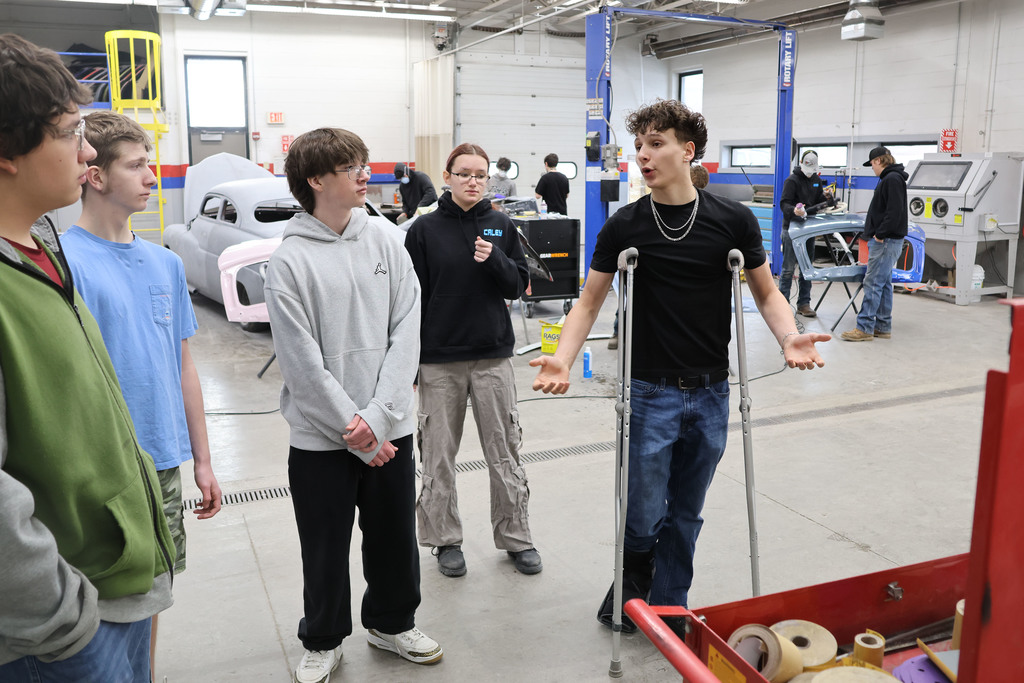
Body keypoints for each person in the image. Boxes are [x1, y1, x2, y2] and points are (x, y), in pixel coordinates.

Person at [530, 99, 829, 631]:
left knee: (687, 512)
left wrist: (790, 336)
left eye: (655, 143)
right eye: (638, 146)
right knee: (644, 516)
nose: (642, 156)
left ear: (687, 151)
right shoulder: (625, 226)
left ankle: (667, 607)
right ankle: (633, 588)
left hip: (712, 391)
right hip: (649, 393)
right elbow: (589, 301)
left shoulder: (732, 222)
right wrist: (562, 357)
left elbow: (766, 292)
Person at [0, 33, 175, 681]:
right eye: (71, 132)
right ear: (7, 148)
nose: (87, 151)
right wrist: (60, 616)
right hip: (61, 624)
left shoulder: (43, 254)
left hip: (116, 586)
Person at [265, 128, 441, 683]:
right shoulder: (289, 262)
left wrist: (380, 416)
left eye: (364, 164)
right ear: (316, 180)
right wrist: (353, 426)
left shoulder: (387, 239)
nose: (366, 174)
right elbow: (301, 363)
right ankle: (322, 638)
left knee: (393, 535)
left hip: (390, 425)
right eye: (351, 167)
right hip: (321, 437)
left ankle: (392, 623)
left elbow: (407, 326)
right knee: (323, 543)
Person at [61, 110, 223, 677]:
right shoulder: (63, 263)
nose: (152, 177)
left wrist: (201, 460)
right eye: (137, 166)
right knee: (98, 605)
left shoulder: (165, 263)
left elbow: (182, 367)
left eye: (150, 164)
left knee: (153, 596)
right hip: (98, 468)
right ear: (95, 176)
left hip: (159, 464)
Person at [404, 143, 541, 579]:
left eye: (480, 175)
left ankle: (516, 537)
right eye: (464, 173)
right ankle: (445, 540)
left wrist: (495, 259)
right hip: (439, 359)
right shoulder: (423, 231)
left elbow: (518, 286)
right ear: (447, 176)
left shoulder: (501, 224)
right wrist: (409, 365)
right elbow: (409, 301)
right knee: (439, 454)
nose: (472, 181)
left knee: (504, 452)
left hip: (492, 356)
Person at [610, 162, 709, 350]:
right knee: (634, 295)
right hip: (643, 275)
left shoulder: (708, 214)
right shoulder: (634, 217)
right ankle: (617, 331)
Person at [840, 147, 908, 342]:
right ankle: (882, 326)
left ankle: (864, 327)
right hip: (888, 240)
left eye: (872, 165)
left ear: (878, 161)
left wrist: (880, 234)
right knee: (884, 283)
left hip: (885, 241)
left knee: (873, 283)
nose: (872, 169)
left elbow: (894, 212)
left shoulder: (891, 179)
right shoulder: (893, 178)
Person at [778, 150, 831, 318]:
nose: (810, 174)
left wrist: (827, 199)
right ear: (802, 163)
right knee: (787, 269)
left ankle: (804, 304)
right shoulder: (792, 181)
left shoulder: (815, 180)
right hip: (791, 229)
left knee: (807, 269)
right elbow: (783, 203)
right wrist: (794, 210)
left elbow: (818, 200)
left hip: (809, 230)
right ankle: (782, 305)